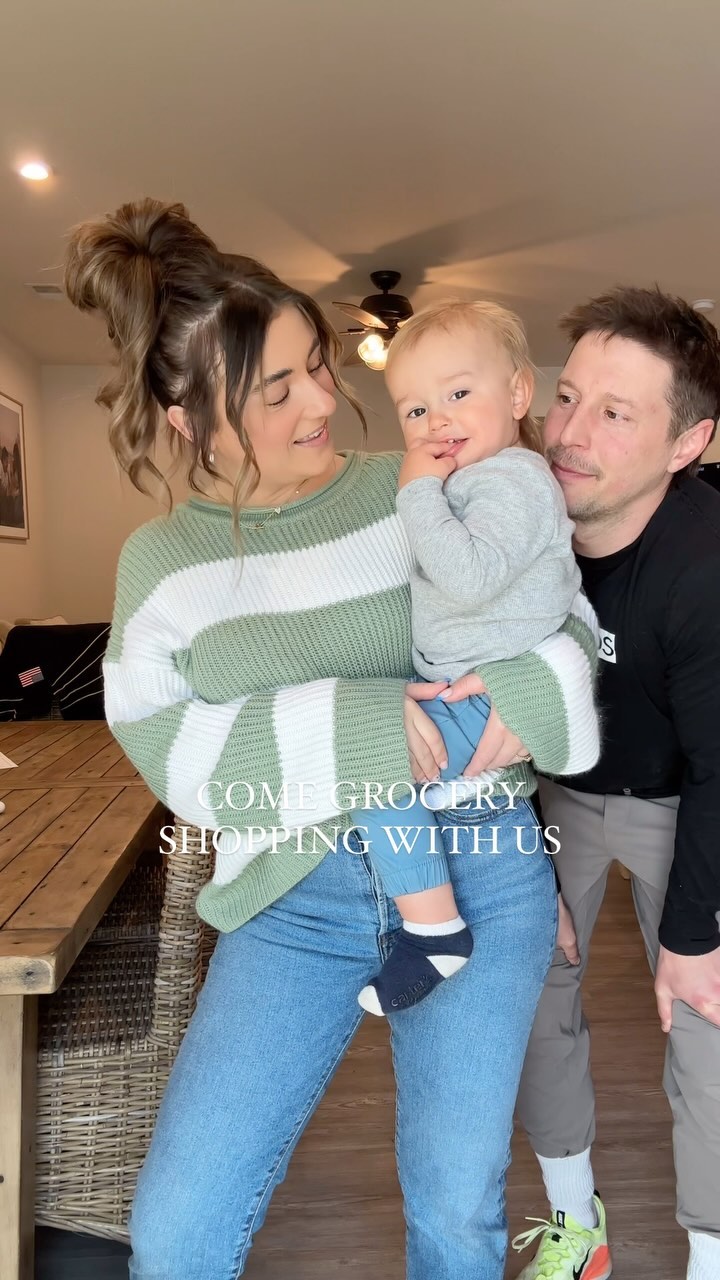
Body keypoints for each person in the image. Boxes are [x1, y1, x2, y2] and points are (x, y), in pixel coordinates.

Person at [64, 197, 598, 1280]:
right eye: (277, 390)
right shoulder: (161, 566)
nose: (322, 401)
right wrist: (356, 724)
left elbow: (565, 608)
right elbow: (175, 756)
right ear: (186, 417)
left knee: (458, 1215)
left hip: (482, 866)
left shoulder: (424, 483)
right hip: (290, 897)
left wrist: (533, 691)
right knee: (178, 1232)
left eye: (316, 364)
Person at [512, 286, 720, 1280]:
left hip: (688, 794)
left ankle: (712, 1254)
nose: (569, 433)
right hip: (556, 783)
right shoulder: (517, 527)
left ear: (688, 444)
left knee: (707, 1014)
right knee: (525, 979)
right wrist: (523, 867)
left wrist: (692, 936)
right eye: (568, 397)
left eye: (615, 412)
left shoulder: (705, 569)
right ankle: (576, 1228)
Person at [352, 299, 600, 1017]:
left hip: (484, 694)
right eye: (415, 410)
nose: (438, 421)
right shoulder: (477, 480)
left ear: (518, 393)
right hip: (460, 686)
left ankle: (433, 932)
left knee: (370, 766)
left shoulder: (511, 480)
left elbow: (467, 577)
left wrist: (416, 491)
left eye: (459, 393)